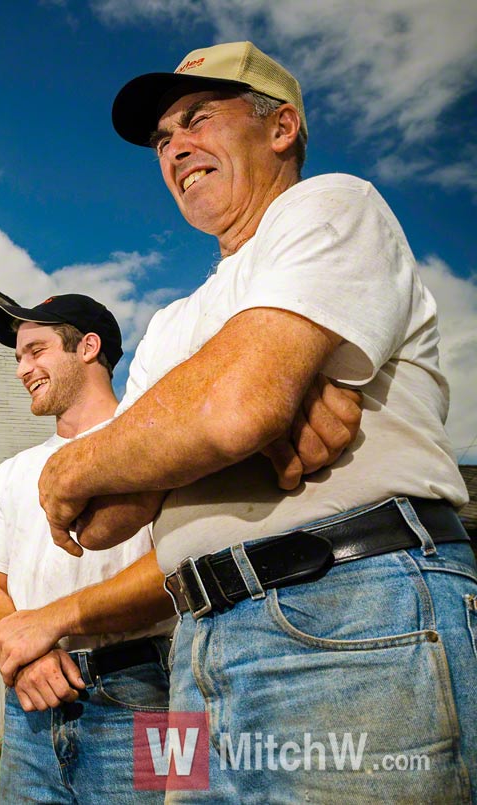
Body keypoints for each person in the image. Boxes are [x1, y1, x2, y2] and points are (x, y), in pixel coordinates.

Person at [37, 41, 475, 801]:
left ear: (281, 129)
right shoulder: (172, 318)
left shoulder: (334, 204)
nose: (175, 147)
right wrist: (225, 416)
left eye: (198, 118)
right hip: (198, 640)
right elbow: (105, 521)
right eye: (162, 139)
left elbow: (235, 408)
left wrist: (102, 457)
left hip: (350, 605)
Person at [0, 295, 176, 803]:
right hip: (31, 704)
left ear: (88, 347)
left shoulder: (162, 437)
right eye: (19, 358)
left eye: (35, 351)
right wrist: (26, 654)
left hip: (158, 688)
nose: (23, 369)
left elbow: (181, 568)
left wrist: (52, 622)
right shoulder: (13, 472)